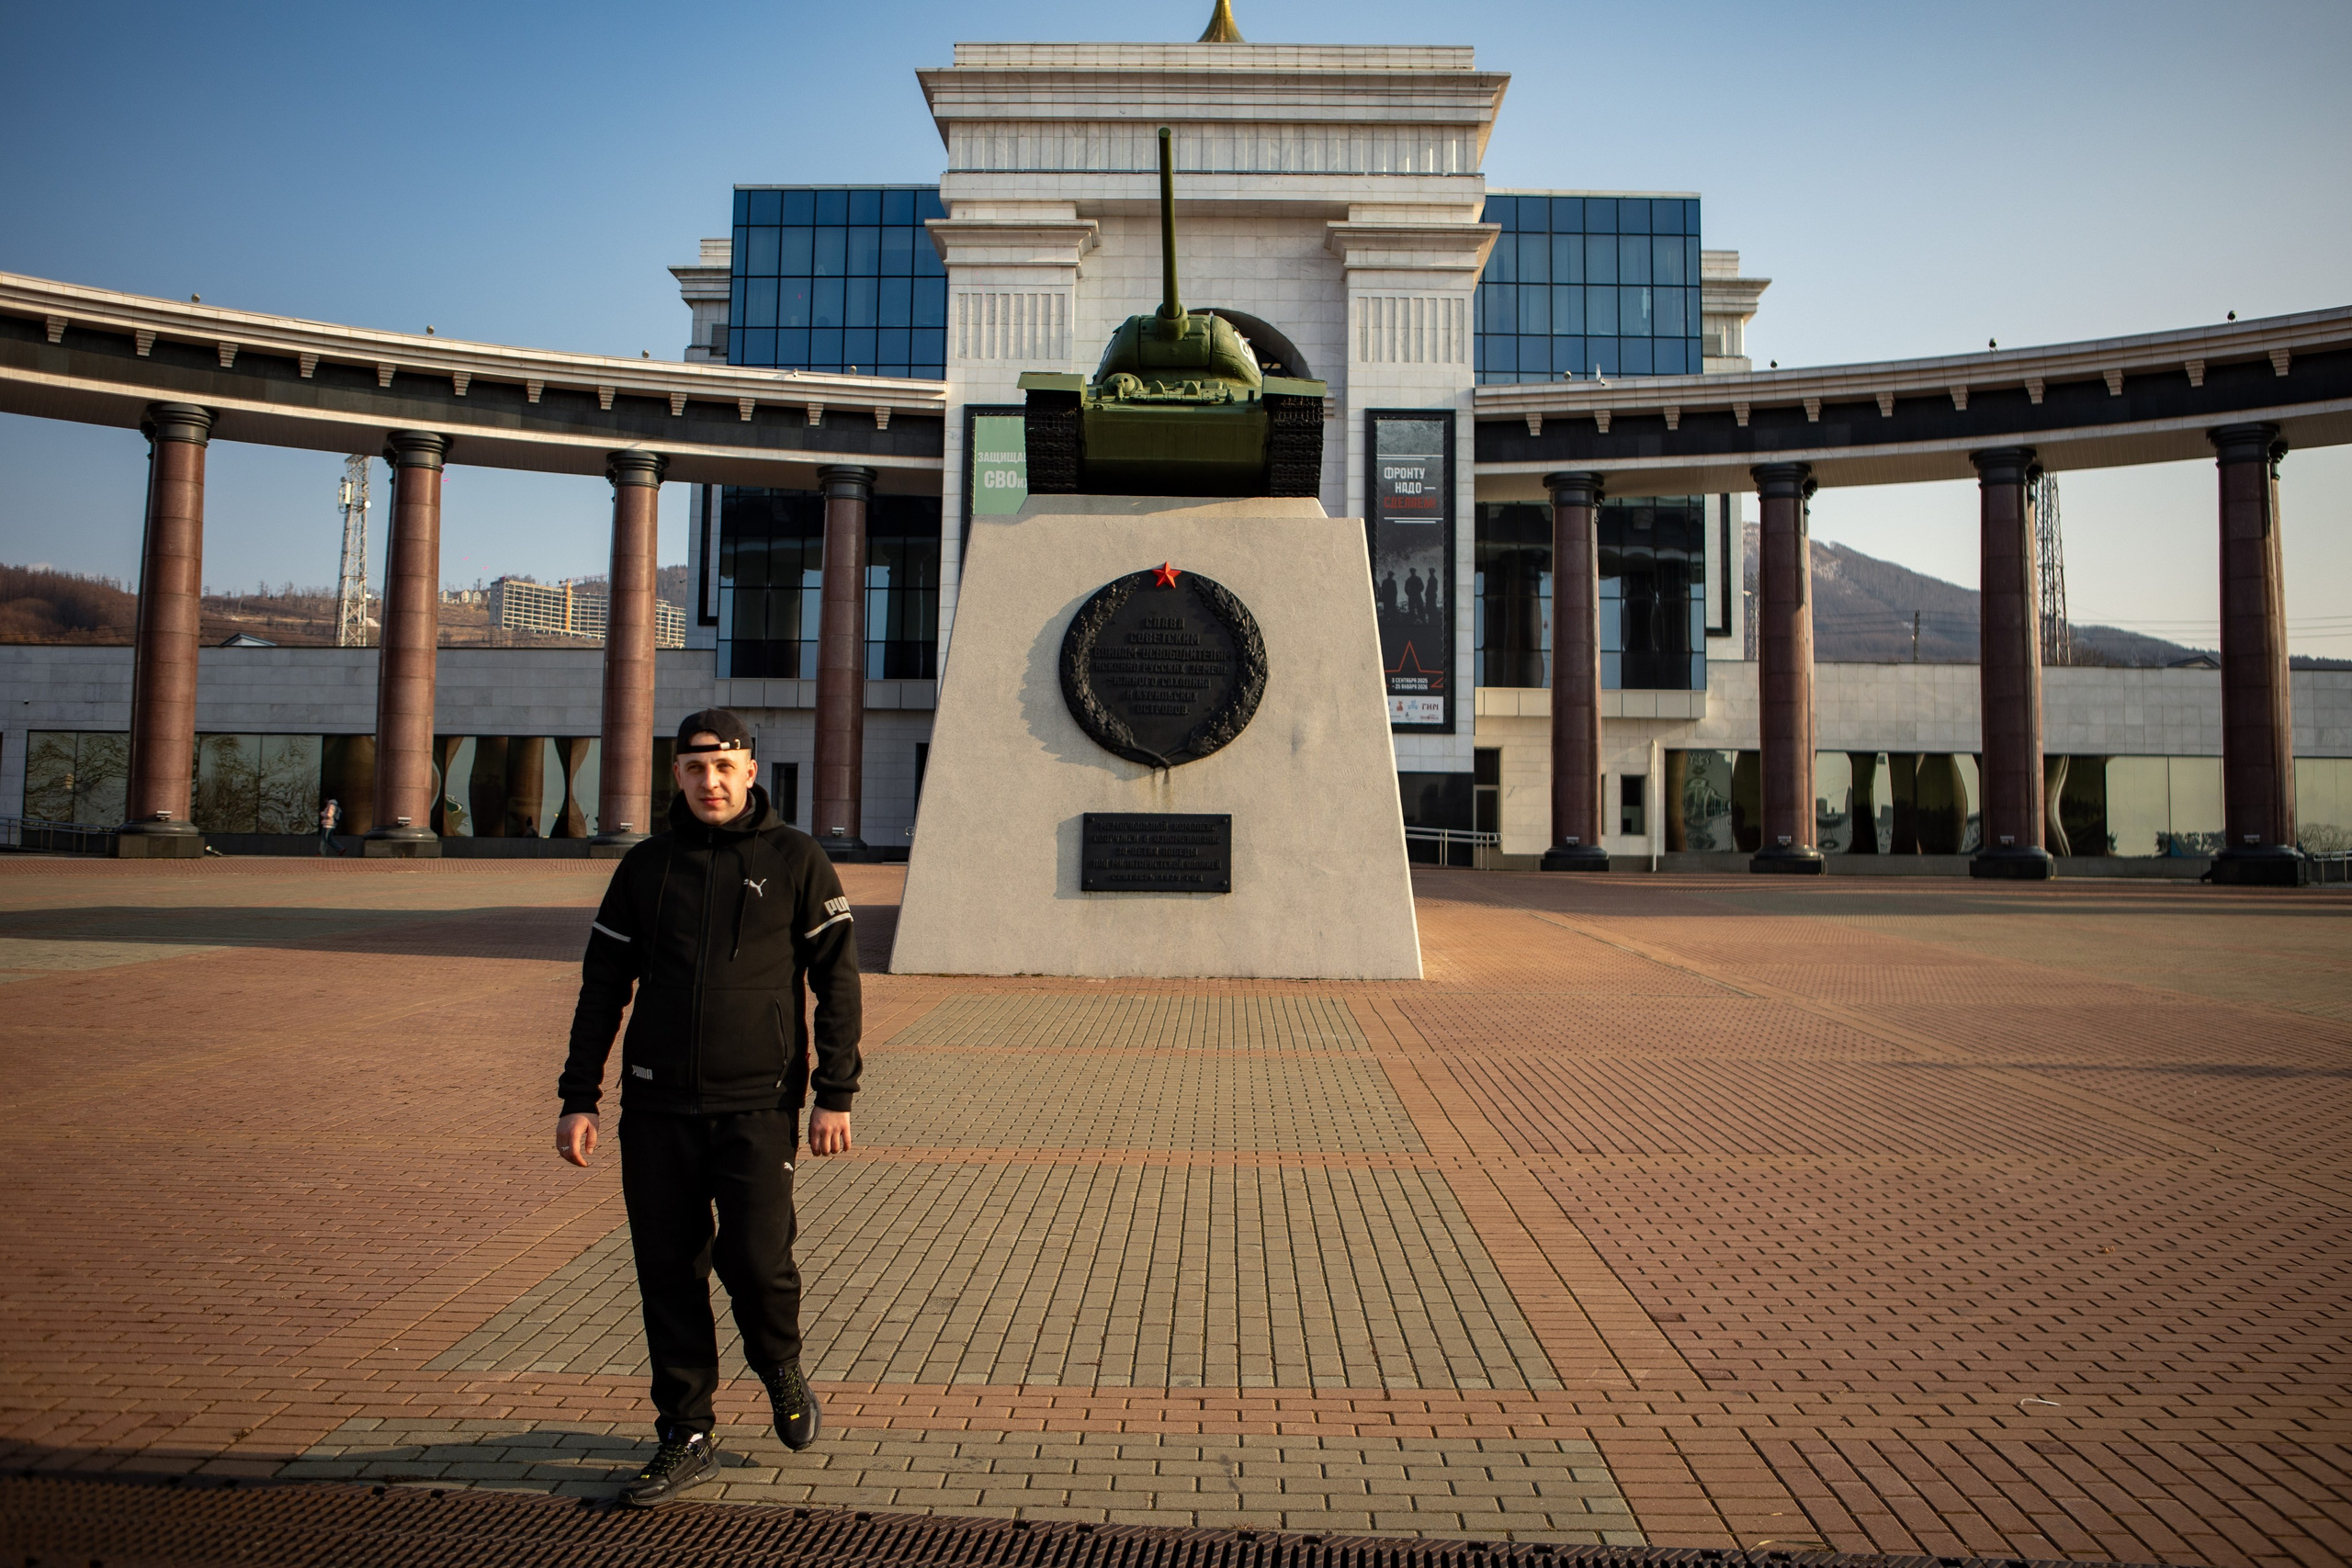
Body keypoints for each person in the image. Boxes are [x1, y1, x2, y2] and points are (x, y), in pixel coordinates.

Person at [555, 709, 862, 1508]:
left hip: (759, 1102)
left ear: (750, 771)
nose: (710, 781)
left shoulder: (797, 858)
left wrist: (835, 1091)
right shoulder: (645, 866)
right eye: (695, 768)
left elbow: (837, 980)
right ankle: (685, 1430)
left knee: (757, 1261)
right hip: (656, 1104)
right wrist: (579, 1096)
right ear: (678, 775)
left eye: (725, 766)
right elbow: (601, 988)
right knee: (669, 1271)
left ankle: (779, 1361)